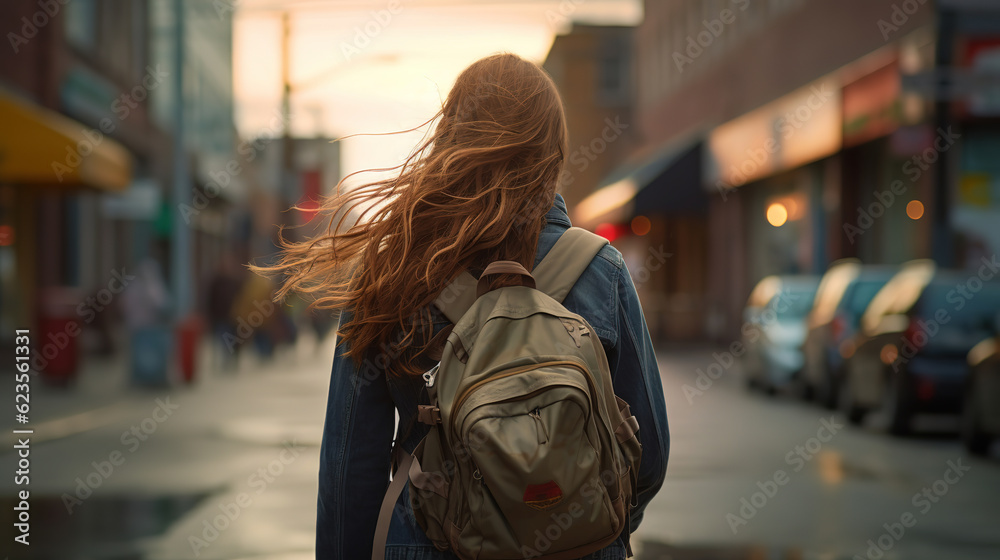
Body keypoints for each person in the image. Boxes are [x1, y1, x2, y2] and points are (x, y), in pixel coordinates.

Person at [257, 53, 669, 560]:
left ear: (451, 140)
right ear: (553, 152)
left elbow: (351, 463)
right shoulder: (600, 270)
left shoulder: (395, 269)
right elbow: (648, 453)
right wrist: (583, 525)